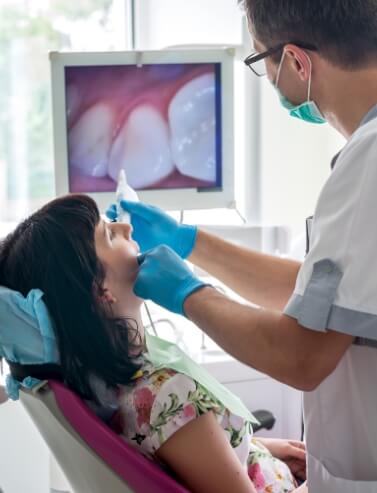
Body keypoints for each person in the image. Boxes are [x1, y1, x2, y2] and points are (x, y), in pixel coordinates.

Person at [108, 1, 377, 491]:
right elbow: (323, 299)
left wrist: (189, 293)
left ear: (297, 61)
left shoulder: (370, 161)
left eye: (262, 62)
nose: (270, 80)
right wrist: (190, 243)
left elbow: (301, 356)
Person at [0, 194, 306, 493]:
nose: (126, 226)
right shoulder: (166, 394)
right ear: (100, 290)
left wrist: (256, 448)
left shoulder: (119, 386)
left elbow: (187, 453)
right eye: (109, 234)